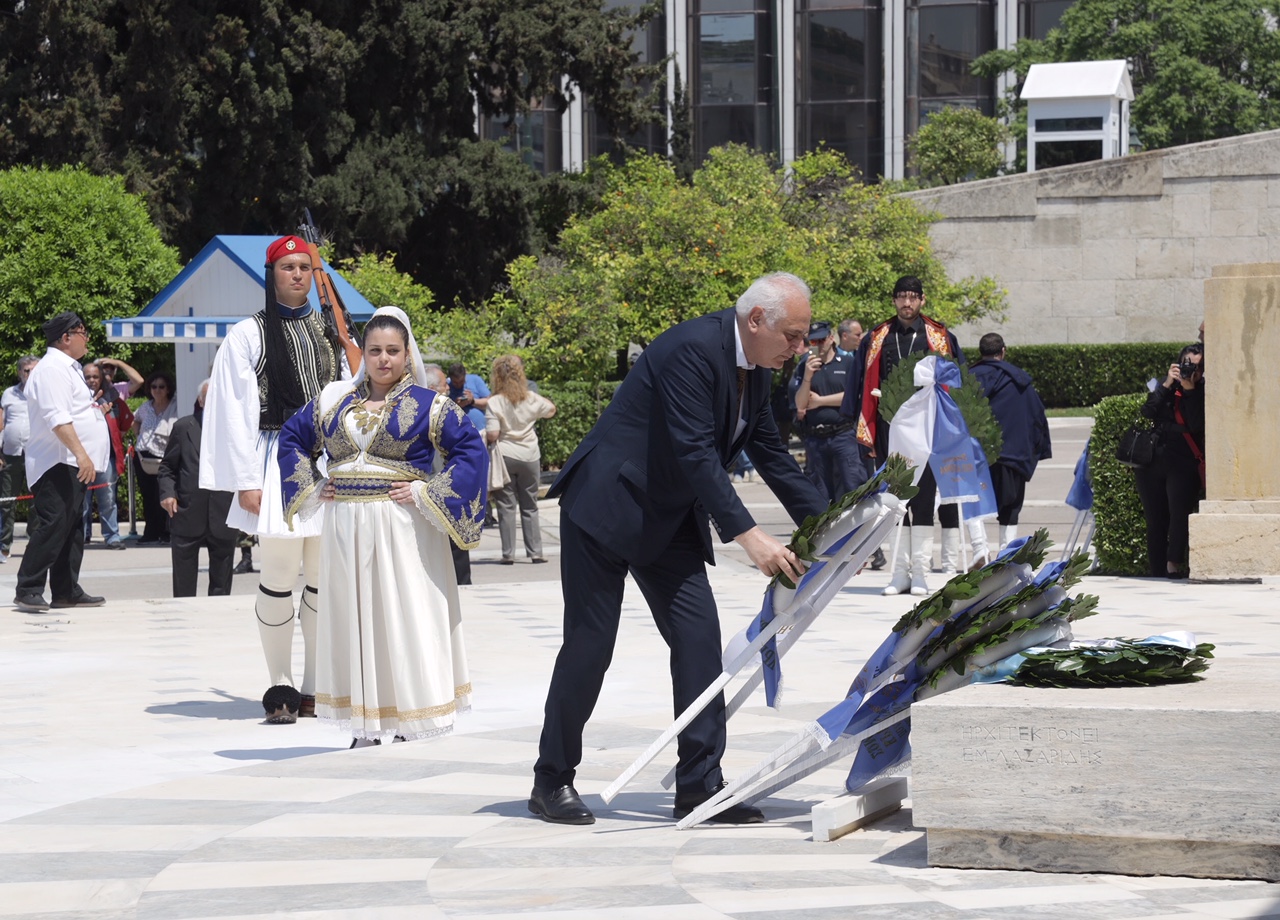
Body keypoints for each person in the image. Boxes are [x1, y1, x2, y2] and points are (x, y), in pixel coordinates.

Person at [530, 272, 827, 827]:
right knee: (590, 647)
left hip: (666, 521)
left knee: (697, 641)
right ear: (755, 320)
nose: (799, 348)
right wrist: (750, 537)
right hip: (607, 509)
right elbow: (695, 452)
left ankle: (699, 786)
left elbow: (771, 453)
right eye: (792, 334)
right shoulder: (691, 349)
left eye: (803, 336)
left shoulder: (757, 371)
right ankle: (552, 779)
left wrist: (833, 522)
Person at [278, 307, 486, 746]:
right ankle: (366, 723)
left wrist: (428, 492)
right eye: (375, 351)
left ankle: (410, 717)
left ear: (407, 352)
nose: (384, 359)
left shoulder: (432, 405)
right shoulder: (334, 403)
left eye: (393, 350)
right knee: (353, 618)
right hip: (344, 528)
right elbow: (291, 438)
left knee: (402, 615)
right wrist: (315, 486)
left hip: (402, 527)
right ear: (363, 354)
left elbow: (471, 451)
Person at [202, 234, 346, 724]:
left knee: (324, 578)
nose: (298, 274)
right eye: (288, 267)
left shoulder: (331, 331)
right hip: (274, 460)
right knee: (280, 574)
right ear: (272, 274)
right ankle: (280, 683)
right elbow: (235, 411)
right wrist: (246, 478)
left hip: (328, 462)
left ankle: (313, 685)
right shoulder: (249, 334)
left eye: (305, 267)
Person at [841, 275, 964, 596]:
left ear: (922, 300)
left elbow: (958, 377)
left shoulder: (939, 336)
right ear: (894, 300)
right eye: (901, 297)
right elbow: (859, 379)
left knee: (923, 498)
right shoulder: (878, 337)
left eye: (912, 297)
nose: (906, 303)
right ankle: (898, 572)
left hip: (928, 429)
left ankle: (920, 572)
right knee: (894, 498)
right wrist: (853, 419)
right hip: (888, 428)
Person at [13, 313, 109, 612]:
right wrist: (82, 454)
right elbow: (57, 418)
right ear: (66, 337)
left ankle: (66, 590)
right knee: (53, 523)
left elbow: (74, 411)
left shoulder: (69, 368)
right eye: (82, 331)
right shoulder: (52, 369)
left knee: (71, 528)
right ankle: (28, 587)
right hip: (57, 461)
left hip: (70, 461)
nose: (87, 337)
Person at [967, 333, 1052, 565]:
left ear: (980, 352)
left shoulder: (967, 380)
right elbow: (1036, 417)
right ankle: (1006, 553)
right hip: (1012, 455)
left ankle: (980, 549)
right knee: (1011, 509)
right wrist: (1035, 450)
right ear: (1003, 351)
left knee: (972, 503)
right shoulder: (1020, 381)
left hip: (976, 457)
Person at [159, 380, 237, 596]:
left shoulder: (237, 429)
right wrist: (167, 494)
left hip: (223, 512)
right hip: (186, 510)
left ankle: (217, 620)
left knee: (222, 583)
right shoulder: (184, 427)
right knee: (183, 582)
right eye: (209, 398)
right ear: (200, 401)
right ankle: (184, 613)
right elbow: (167, 467)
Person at [1135, 344, 1205, 579]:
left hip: (1184, 460)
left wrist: (1190, 390)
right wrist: (1166, 384)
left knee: (1179, 515)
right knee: (1155, 518)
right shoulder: (1165, 386)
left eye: (1194, 366)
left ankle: (1172, 565)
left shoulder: (1201, 389)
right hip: (1154, 460)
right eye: (1185, 363)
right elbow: (1147, 411)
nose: (1189, 369)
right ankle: (1156, 568)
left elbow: (1196, 424)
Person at [486, 354, 556, 565]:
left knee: (506, 506)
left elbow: (492, 434)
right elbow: (551, 409)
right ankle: (535, 552)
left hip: (506, 455)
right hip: (530, 455)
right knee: (530, 505)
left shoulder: (495, 402)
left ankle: (508, 554)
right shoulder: (530, 397)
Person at [793, 320, 866, 502]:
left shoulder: (847, 363)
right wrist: (808, 377)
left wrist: (819, 402)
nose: (818, 346)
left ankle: (855, 530)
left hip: (842, 434)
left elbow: (853, 396)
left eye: (821, 340)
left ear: (831, 339)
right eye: (813, 342)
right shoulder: (805, 366)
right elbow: (800, 404)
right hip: (815, 438)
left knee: (852, 486)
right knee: (820, 492)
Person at [425, 362, 473, 586]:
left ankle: (462, 584)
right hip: (433, 486)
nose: (448, 388)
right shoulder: (431, 411)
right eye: (444, 384)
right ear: (434, 388)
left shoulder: (446, 409)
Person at [81, 361, 133, 549]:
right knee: (82, 502)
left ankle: (112, 537)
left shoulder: (112, 399)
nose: (91, 380)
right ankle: (81, 536)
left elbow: (125, 426)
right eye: (87, 377)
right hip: (82, 459)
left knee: (108, 499)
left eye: (95, 377)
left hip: (106, 459)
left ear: (102, 379)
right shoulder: (74, 400)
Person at [131, 370, 178, 545]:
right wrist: (138, 435)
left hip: (165, 457)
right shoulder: (145, 407)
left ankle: (166, 532)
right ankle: (151, 531)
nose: (157, 390)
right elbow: (135, 420)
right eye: (153, 387)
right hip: (143, 458)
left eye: (161, 387)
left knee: (165, 494)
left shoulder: (175, 407)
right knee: (148, 496)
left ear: (168, 389)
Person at [0, 356, 39, 561]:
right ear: (19, 373)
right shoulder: (9, 394)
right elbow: (1, 424)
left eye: (33, 370)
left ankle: (34, 543)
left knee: (37, 501)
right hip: (11, 454)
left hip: (37, 455)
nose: (29, 374)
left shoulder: (44, 394)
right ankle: (4, 545)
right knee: (7, 501)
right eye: (26, 370)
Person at [447, 363, 490, 435]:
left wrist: (473, 401)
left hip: (480, 430)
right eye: (455, 382)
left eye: (461, 381)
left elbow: (489, 402)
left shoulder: (475, 380)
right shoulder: (446, 386)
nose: (458, 385)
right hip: (458, 433)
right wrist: (456, 405)